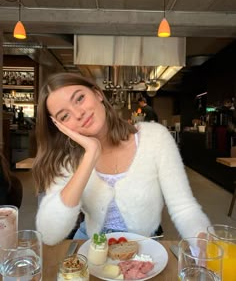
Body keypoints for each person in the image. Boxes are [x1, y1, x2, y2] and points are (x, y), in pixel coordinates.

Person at [33, 72, 210, 246]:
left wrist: (202, 240)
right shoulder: (67, 159)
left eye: (79, 99)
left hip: (145, 246)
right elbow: (49, 235)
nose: (78, 113)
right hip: (90, 244)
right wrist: (90, 156)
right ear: (59, 126)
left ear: (97, 94)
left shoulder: (155, 137)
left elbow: (183, 207)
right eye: (64, 116)